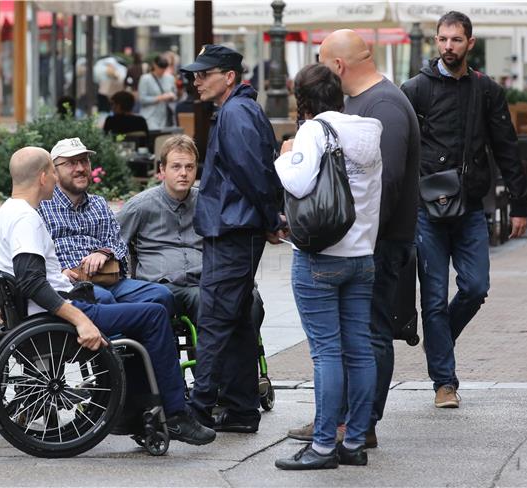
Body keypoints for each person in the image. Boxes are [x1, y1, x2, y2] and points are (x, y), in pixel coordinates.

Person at [0, 146, 215, 445]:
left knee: (144, 310)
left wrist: (0, 314)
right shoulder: (26, 220)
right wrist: (81, 320)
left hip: (40, 314)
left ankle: (134, 411)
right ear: (46, 176)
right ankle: (175, 414)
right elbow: (33, 282)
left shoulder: (6, 212)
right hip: (54, 316)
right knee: (153, 315)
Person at [285, 29, 420, 448]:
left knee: (364, 339)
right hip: (365, 244)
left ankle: (353, 427)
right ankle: (347, 425)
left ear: (337, 67)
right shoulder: (366, 109)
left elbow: (389, 183)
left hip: (371, 243)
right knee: (355, 341)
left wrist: (357, 237)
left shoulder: (384, 105)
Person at [400, 11, 527, 408]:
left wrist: (519, 204)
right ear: (435, 42)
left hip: (471, 207)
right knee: (434, 298)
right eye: (442, 39)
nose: (448, 47)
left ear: (470, 43)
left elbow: (506, 146)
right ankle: (445, 383)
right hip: (427, 211)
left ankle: (439, 344)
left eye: (456, 40)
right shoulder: (415, 89)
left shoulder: (486, 90)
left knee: (475, 288)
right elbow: (401, 150)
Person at [273, 64, 382, 470]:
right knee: (360, 351)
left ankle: (322, 446)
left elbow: (298, 184)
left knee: (326, 353)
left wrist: (284, 157)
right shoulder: (370, 129)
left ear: (303, 99)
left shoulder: (314, 130)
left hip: (321, 258)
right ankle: (354, 442)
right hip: (362, 256)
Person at [179, 45, 284, 434]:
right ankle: (241, 410)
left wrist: (271, 217)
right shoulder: (238, 109)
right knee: (237, 320)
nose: (196, 80)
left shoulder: (236, 111)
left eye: (205, 73)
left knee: (216, 320)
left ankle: (199, 408)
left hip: (233, 231)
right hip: (237, 229)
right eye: (195, 74)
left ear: (228, 76)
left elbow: (252, 171)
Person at [117, 134, 265, 333]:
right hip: (163, 286)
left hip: (204, 281)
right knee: (207, 301)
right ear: (162, 170)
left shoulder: (208, 202)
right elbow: (113, 241)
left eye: (189, 167)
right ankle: (212, 361)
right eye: (176, 167)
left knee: (250, 299)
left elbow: (229, 243)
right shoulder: (140, 206)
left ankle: (242, 359)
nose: (184, 173)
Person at [37, 137, 175, 316]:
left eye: (84, 161)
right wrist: (59, 271)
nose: (80, 168)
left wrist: (102, 252)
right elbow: (35, 252)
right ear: (54, 171)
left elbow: (118, 242)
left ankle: (141, 341)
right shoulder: (42, 206)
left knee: (162, 294)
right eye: (71, 163)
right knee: (103, 299)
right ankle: (117, 342)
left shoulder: (98, 204)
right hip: (71, 286)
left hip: (109, 279)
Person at [138, 55, 177, 130]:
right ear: (155, 65)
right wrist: (160, 98)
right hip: (150, 115)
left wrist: (171, 96)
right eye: (160, 68)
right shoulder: (145, 78)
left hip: (165, 115)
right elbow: (142, 99)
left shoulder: (170, 78)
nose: (162, 70)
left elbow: (174, 94)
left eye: (164, 68)